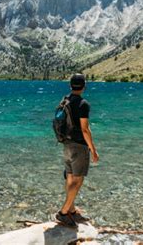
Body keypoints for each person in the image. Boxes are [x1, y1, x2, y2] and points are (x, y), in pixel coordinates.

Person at [55, 73, 99, 228]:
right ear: (84, 86)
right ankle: (63, 212)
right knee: (78, 180)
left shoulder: (65, 100)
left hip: (66, 144)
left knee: (70, 177)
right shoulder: (83, 104)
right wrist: (93, 149)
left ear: (70, 86)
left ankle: (72, 209)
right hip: (79, 146)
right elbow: (85, 129)